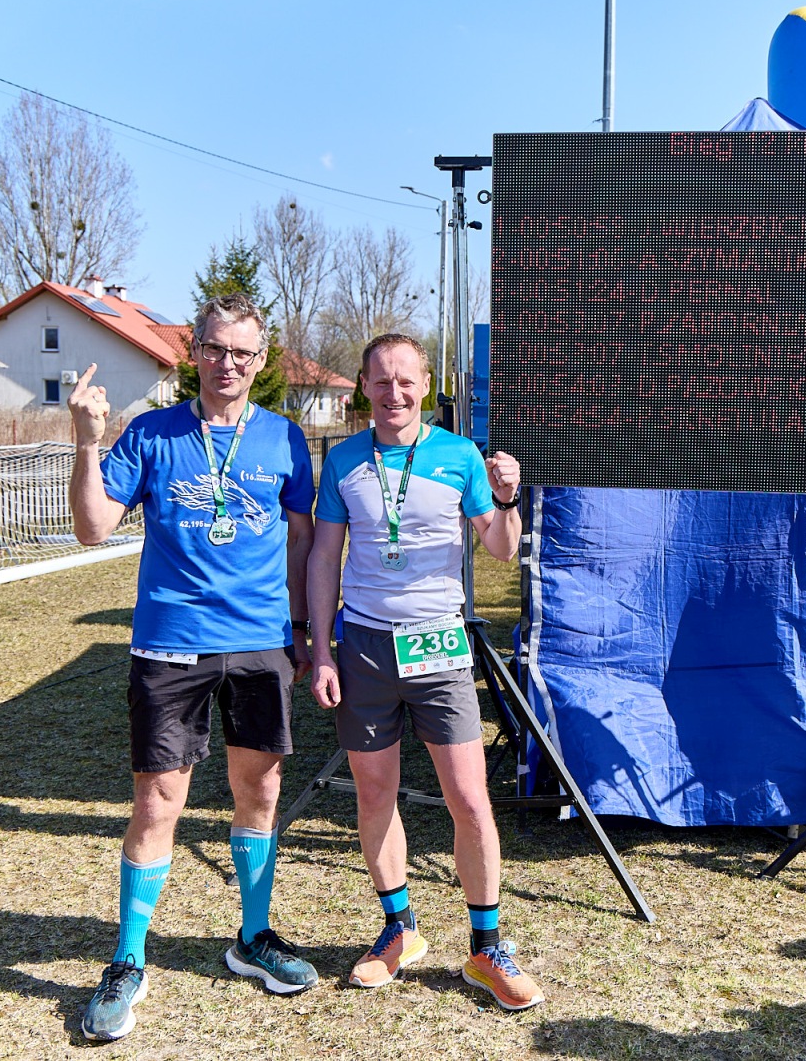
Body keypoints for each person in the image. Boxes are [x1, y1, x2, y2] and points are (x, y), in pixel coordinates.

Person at [68, 292, 319, 1042]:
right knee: (157, 802)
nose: (228, 364)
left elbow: (303, 541)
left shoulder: (286, 439)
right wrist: (87, 439)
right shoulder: (150, 433)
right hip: (170, 643)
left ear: (261, 359)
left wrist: (304, 629)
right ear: (194, 353)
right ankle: (128, 959)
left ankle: (253, 936)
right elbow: (90, 529)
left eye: (243, 352)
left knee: (260, 789)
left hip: (260, 642)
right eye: (215, 348)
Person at [307, 332, 544, 1011]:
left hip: (438, 646)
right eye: (379, 381)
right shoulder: (345, 458)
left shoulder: (460, 454)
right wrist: (322, 649)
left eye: (405, 380)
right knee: (374, 795)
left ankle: (486, 947)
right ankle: (398, 930)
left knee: (470, 801)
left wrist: (505, 498)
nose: (393, 393)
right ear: (362, 386)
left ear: (425, 384)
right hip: (366, 647)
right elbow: (325, 558)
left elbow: (499, 550)